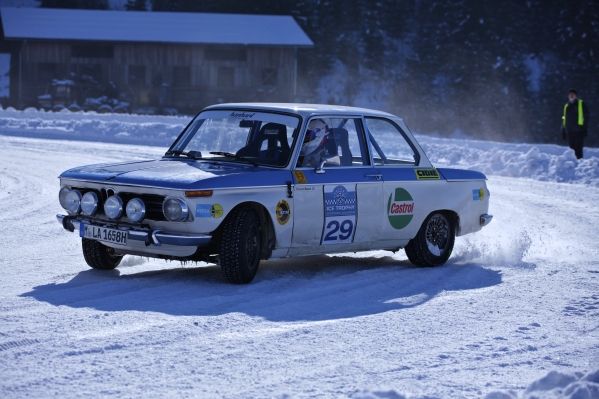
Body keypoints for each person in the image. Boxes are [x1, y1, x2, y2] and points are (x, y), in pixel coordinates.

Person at [562, 89, 589, 159]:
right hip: (569, 131)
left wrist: (584, 128)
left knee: (578, 149)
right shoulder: (566, 106)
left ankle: (579, 166)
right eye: (570, 94)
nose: (571, 95)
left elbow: (586, 116)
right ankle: (573, 166)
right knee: (571, 149)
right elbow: (564, 118)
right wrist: (563, 129)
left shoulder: (581, 103)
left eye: (573, 94)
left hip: (579, 130)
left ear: (576, 96)